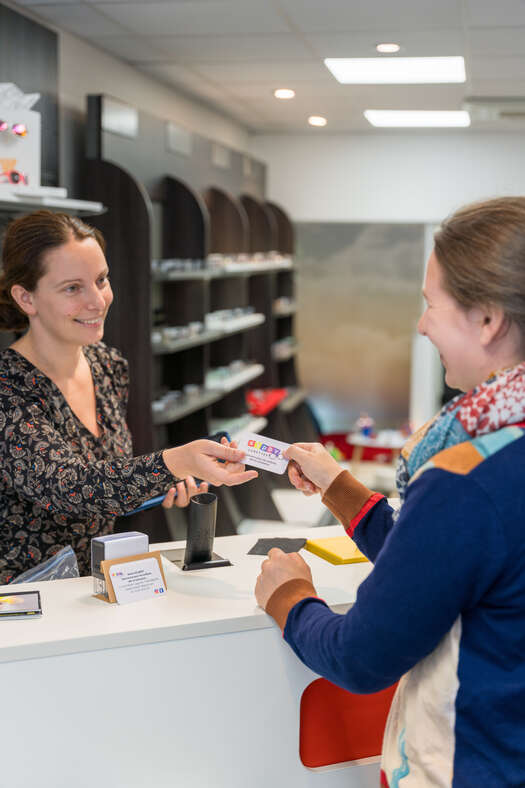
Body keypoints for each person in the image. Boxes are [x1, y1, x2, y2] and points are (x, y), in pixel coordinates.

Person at [255, 196, 525, 786]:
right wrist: (342, 491)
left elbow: (362, 656)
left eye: (431, 304)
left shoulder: (467, 476)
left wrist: (291, 598)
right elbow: (450, 565)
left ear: (488, 320)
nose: (422, 323)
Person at [0, 210, 257, 583]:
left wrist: (170, 480)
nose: (97, 300)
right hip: (23, 605)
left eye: (101, 280)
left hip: (96, 584)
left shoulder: (108, 365)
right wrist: (171, 463)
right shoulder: (8, 389)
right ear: (26, 298)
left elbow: (109, 481)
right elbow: (69, 486)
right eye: (73, 288)